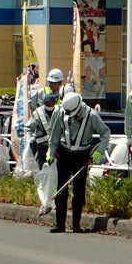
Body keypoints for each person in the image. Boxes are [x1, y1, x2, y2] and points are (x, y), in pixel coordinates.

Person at [47, 91, 111, 234]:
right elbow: (54, 135)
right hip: (64, 153)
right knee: (61, 189)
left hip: (82, 155)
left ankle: (76, 225)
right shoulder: (61, 112)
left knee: (79, 190)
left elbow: (105, 134)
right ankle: (60, 224)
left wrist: (98, 152)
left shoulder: (92, 115)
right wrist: (51, 153)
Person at [27, 90, 59, 167]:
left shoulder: (59, 111)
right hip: (42, 145)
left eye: (52, 103)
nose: (50, 105)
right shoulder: (38, 113)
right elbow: (28, 127)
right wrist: (29, 137)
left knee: (58, 168)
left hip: (57, 146)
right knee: (42, 167)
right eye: (48, 103)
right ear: (44, 103)